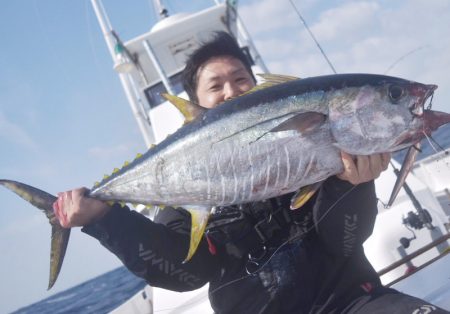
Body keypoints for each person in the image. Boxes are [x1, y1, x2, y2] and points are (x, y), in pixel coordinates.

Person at [53, 32, 448, 313]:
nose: (231, 91)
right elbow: (185, 277)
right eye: (216, 86)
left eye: (240, 79)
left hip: (351, 300)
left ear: (258, 85)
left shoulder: (325, 155)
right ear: (199, 108)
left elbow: (344, 242)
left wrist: (351, 186)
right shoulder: (185, 177)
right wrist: (106, 220)